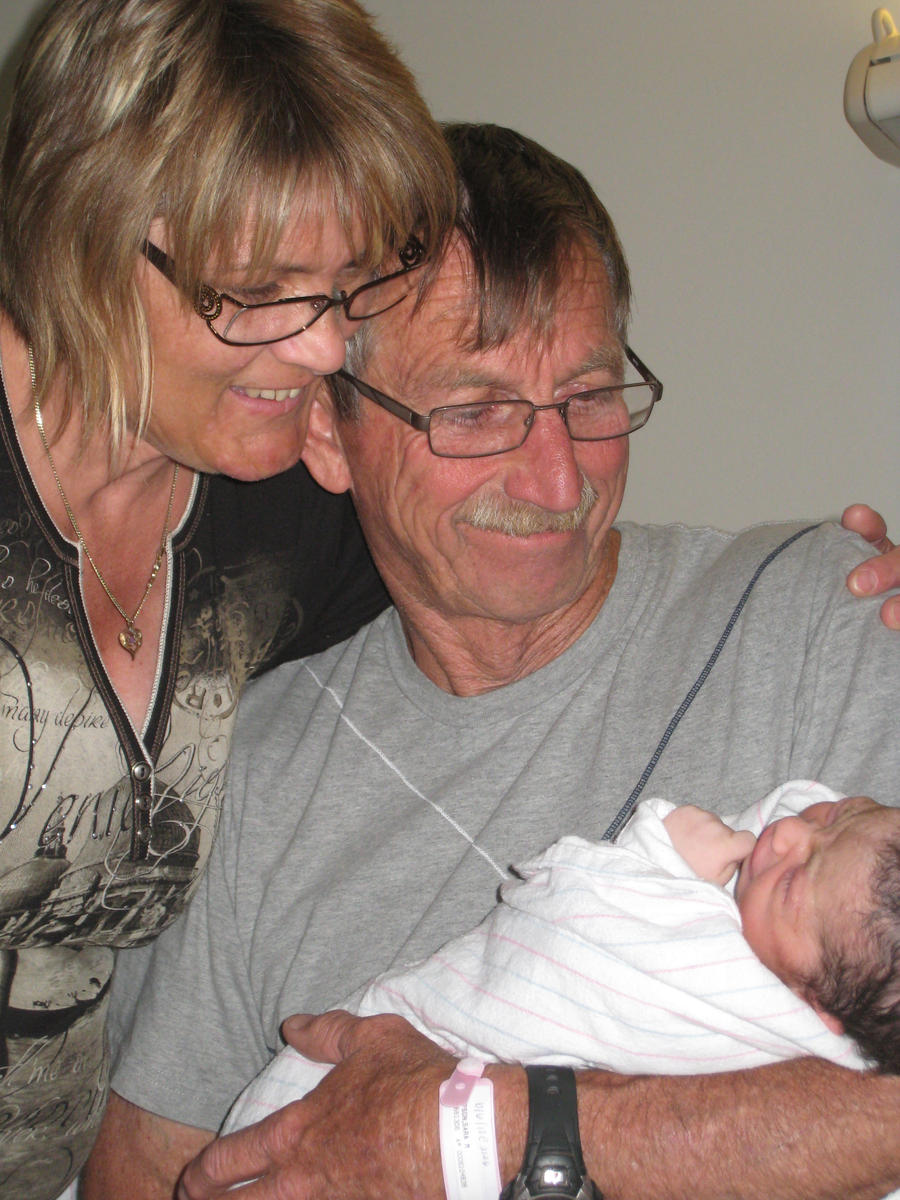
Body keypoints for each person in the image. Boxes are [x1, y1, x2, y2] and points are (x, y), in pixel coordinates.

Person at [86, 123, 900, 1200]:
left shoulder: (824, 619)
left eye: (592, 397)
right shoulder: (252, 771)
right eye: (476, 413)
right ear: (330, 433)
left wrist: (503, 1132)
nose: (560, 483)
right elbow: (151, 1177)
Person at [0, 2, 455, 1196]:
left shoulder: (276, 516)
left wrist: (814, 587)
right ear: (75, 233)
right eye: (255, 291)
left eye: (349, 284)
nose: (319, 349)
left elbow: (497, 583)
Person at [221, 779, 900, 1140]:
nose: (785, 833)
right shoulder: (829, 924)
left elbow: (572, 923)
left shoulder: (725, 990)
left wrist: (659, 858)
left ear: (821, 1010)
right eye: (836, 816)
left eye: (790, 883)